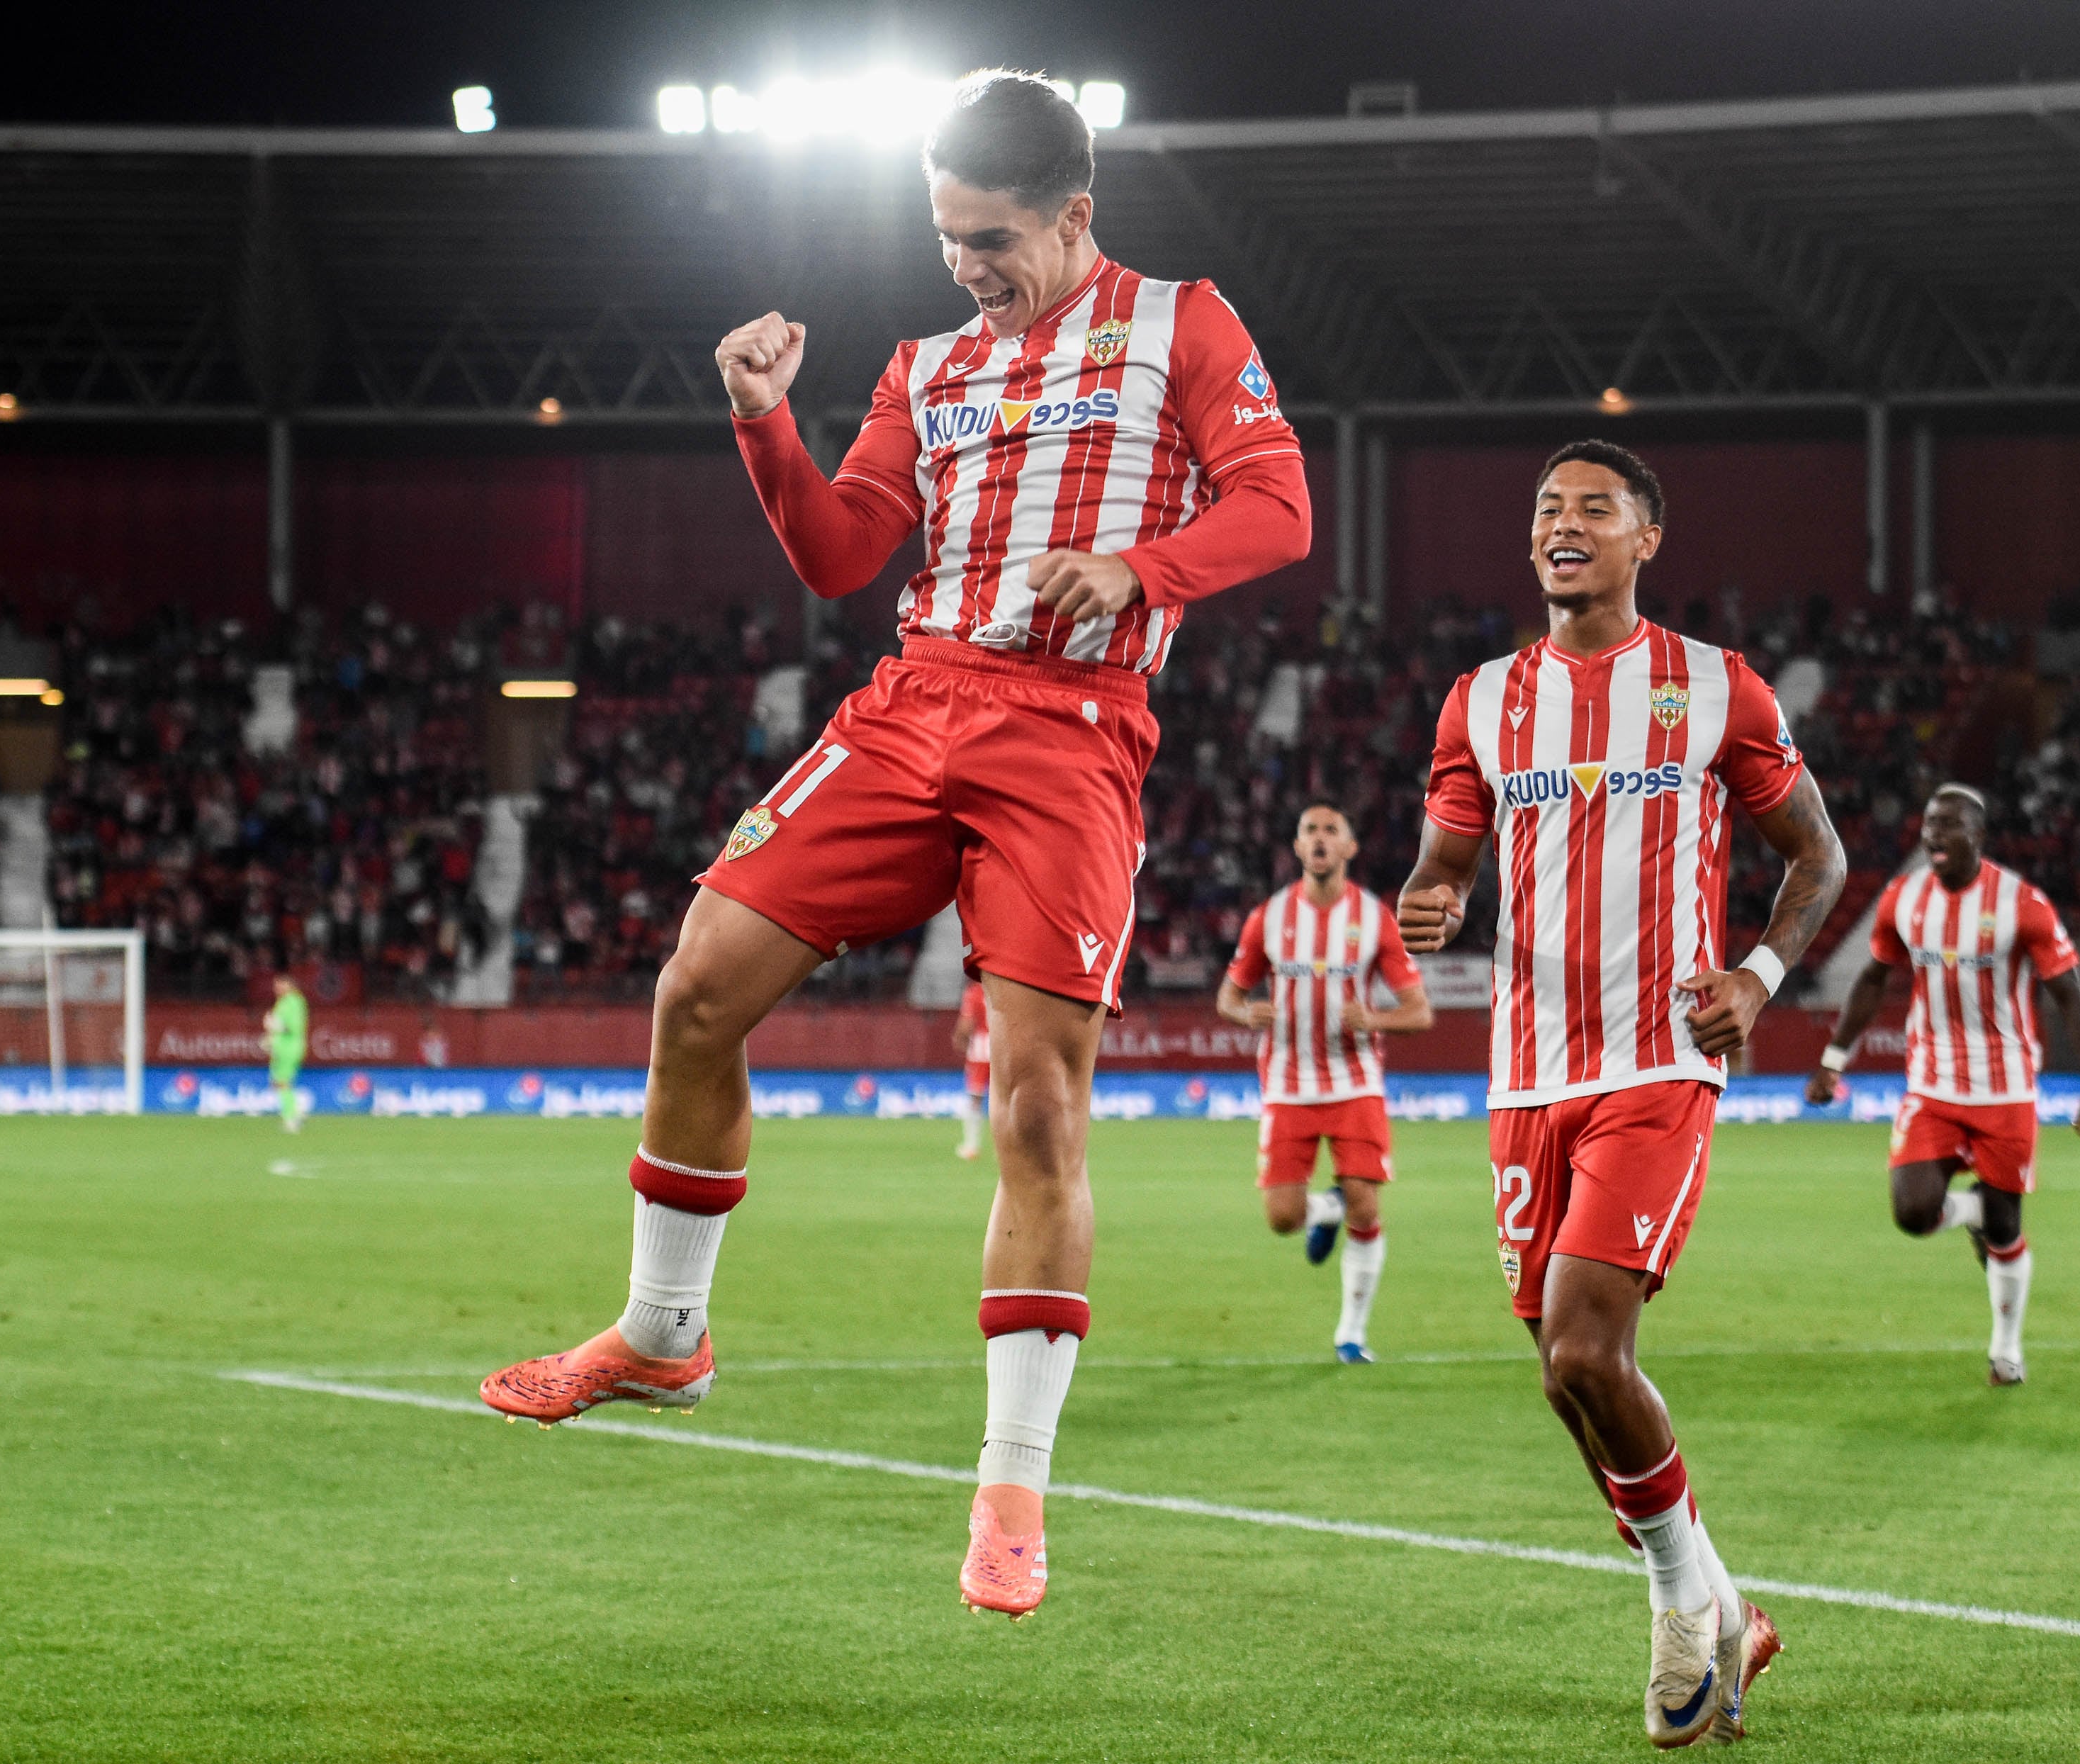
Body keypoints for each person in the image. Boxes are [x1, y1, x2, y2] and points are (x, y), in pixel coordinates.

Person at [478, 70, 1310, 1622]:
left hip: (1069, 726)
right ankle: (665, 1332)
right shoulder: (926, 364)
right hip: (911, 700)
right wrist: (762, 423)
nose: (964, 267)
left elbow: (1278, 508)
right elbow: (842, 548)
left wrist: (1135, 566)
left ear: (1074, 214)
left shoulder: (1184, 323)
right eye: (943, 238)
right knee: (697, 985)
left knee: (1040, 1100)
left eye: (990, 239)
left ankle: (1010, 1481)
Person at [1401, 440, 1845, 1747]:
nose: (1563, 524)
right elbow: (1442, 862)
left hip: (1656, 1060)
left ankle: (1672, 1608)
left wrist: (1759, 975)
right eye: (1546, 507)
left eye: (1594, 507)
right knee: (1560, 1373)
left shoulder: (1713, 687)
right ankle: (1730, 1606)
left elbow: (1814, 854)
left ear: (1647, 537)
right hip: (1523, 1067)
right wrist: (1427, 901)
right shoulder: (1479, 700)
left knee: (1590, 1345)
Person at [1807, 785, 2080, 1384]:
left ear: (1978, 834)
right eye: (1927, 826)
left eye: (1947, 826)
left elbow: (2068, 996)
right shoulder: (1903, 896)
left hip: (2005, 1088)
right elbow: (1872, 979)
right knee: (1912, 1210)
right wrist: (1834, 1056)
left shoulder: (2022, 904)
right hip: (1933, 1082)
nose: (1931, 837)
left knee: (2005, 1229)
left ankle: (2006, 1349)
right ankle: (1972, 1210)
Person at [1216, 802, 1432, 1361]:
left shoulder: (1373, 917)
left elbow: (1418, 1012)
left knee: (1365, 1204)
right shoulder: (1267, 917)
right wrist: (1246, 1014)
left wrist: (1374, 1019)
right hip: (1288, 1084)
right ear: (1295, 846)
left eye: (1330, 830)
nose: (1319, 838)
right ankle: (1324, 1210)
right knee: (1282, 1219)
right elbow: (1228, 996)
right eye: (1309, 829)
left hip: (1353, 1080)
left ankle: (1351, 1335)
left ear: (1349, 848)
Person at [262, 973, 308, 1133]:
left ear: (290, 985)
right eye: (275, 985)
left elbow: (293, 1028)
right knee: (276, 1082)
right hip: (281, 1047)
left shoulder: (294, 1002)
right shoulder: (282, 1003)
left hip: (290, 1048)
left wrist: (275, 1027)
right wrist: (270, 1039)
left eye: (280, 984)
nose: (276, 988)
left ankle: (291, 1119)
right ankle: (297, 1111)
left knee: (283, 1083)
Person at [953, 979, 991, 1160]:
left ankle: (971, 1146)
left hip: (980, 1050)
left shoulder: (974, 992)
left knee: (975, 1098)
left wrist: (960, 1040)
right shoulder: (1003, 989)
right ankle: (1008, 1149)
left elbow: (966, 1024)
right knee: (1005, 1099)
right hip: (1003, 1048)